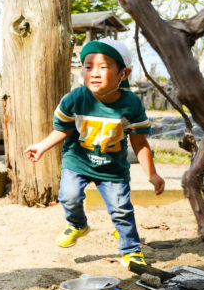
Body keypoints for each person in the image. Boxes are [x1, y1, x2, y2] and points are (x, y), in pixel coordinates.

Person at [24, 37, 165, 268]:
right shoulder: (75, 99)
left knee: (121, 210)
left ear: (124, 73)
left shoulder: (131, 105)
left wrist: (152, 174)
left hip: (113, 169)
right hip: (78, 161)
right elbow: (63, 129)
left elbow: (139, 142)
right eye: (88, 67)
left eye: (104, 67)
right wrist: (41, 146)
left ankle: (131, 250)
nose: (95, 73)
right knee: (69, 196)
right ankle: (78, 225)